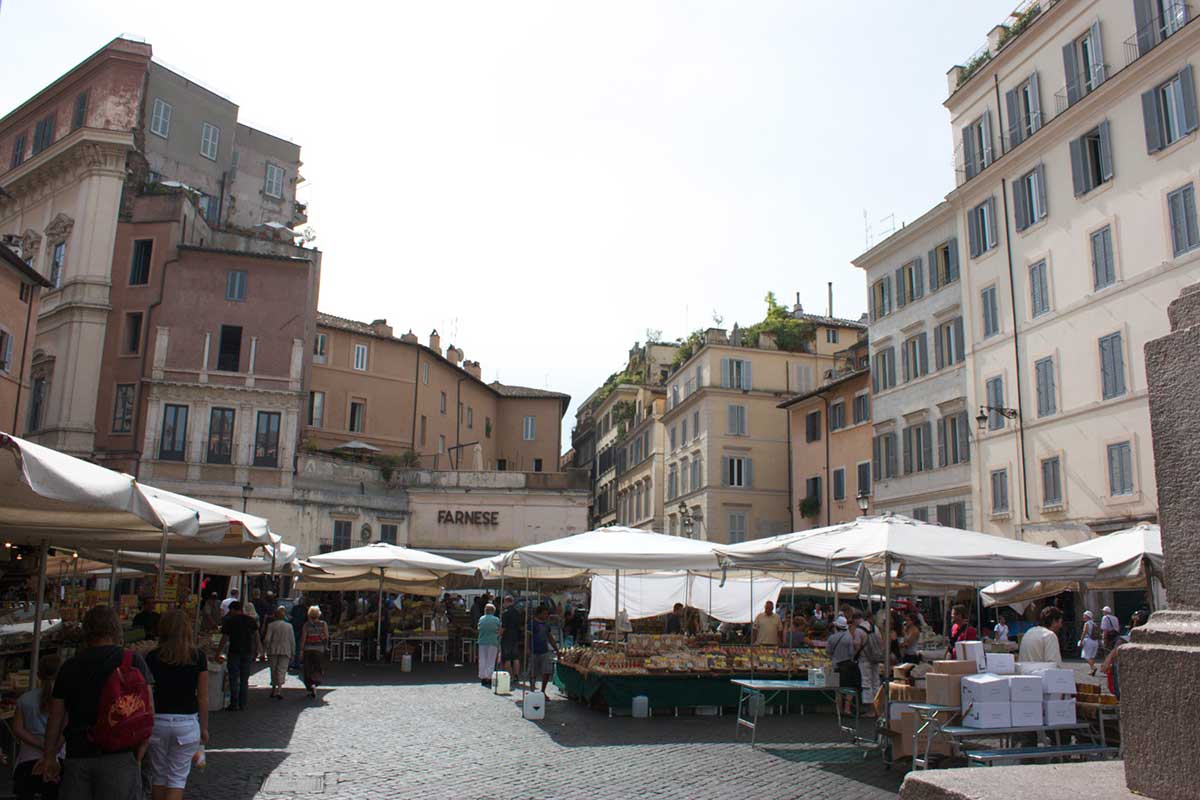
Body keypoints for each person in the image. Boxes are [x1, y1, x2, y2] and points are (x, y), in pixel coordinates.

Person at [37, 605, 153, 798]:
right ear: (115, 628)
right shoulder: (131, 660)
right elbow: (148, 710)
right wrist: (141, 749)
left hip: (78, 754)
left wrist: (49, 756)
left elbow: (55, 718)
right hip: (119, 754)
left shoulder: (70, 666)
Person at [145, 610, 209, 800]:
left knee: (158, 776)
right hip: (186, 722)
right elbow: (203, 697)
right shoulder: (198, 657)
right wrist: (204, 728)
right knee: (177, 779)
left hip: (158, 720)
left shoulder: (152, 657)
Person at [13, 654, 62, 800]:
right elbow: (67, 729)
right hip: (58, 761)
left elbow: (17, 729)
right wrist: (50, 749)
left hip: (27, 760)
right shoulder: (66, 700)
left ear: (38, 675)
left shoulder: (24, 699)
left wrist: (40, 744)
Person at [217, 601, 258, 711]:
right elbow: (255, 636)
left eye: (231, 610)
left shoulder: (230, 621)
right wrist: (257, 649)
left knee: (233, 678)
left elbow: (224, 638)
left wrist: (218, 652)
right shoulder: (251, 620)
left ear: (234, 610)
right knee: (244, 679)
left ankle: (234, 703)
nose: (230, 612)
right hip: (247, 652)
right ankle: (242, 703)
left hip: (234, 652)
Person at [826, 616, 858, 716]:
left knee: (837, 689)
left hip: (835, 665)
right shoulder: (849, 637)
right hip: (847, 665)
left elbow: (828, 652)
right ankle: (847, 709)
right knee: (849, 688)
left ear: (836, 626)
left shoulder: (831, 638)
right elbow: (851, 653)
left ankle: (839, 710)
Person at [853, 609, 883, 714]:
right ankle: (878, 708)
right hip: (876, 658)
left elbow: (857, 645)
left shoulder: (859, 630)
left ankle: (870, 710)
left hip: (864, 659)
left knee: (866, 683)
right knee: (876, 682)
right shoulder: (875, 628)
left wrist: (854, 655)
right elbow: (880, 642)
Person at [264, 607, 295, 699]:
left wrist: (266, 647)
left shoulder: (271, 625)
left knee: (273, 669)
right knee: (282, 669)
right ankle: (279, 690)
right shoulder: (289, 626)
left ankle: (273, 688)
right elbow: (292, 640)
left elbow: (267, 639)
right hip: (285, 650)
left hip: (273, 650)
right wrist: (293, 652)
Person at [528, 605, 559, 695]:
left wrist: (556, 648)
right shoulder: (532, 623)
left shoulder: (546, 624)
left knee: (546, 671)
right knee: (533, 672)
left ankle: (543, 691)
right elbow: (528, 637)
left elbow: (550, 637)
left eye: (547, 614)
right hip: (534, 651)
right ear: (539, 614)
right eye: (544, 614)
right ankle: (532, 690)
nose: (546, 615)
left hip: (544, 651)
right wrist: (528, 649)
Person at [300, 606, 329, 698]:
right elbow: (326, 636)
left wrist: (301, 650)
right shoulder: (323, 624)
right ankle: (315, 683)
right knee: (317, 668)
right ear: (318, 614)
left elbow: (303, 638)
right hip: (319, 649)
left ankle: (310, 686)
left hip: (308, 649)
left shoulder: (306, 625)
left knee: (307, 668)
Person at [499, 596, 523, 685]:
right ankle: (516, 676)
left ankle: (510, 676)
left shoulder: (506, 613)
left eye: (504, 602)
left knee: (507, 658)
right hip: (515, 636)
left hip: (507, 637)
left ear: (506, 602)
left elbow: (504, 627)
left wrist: (499, 635)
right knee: (516, 657)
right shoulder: (517, 612)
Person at [476, 603, 501, 687]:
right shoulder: (496, 620)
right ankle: (489, 677)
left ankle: (483, 677)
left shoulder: (481, 618)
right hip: (493, 641)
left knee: (482, 660)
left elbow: (479, 629)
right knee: (491, 660)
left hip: (482, 641)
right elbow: (499, 630)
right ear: (493, 611)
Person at [1079, 610, 1101, 675]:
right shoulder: (1094, 624)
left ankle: (1093, 667)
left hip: (1088, 640)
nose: (1083, 617)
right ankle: (1092, 670)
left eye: (1084, 615)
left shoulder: (1087, 623)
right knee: (1091, 656)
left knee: (1086, 656)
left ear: (1087, 616)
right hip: (1095, 641)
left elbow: (1084, 632)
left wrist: (1081, 640)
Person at [289, 596, 308, 671]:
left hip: (294, 627)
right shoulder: (306, 609)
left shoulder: (295, 608)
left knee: (293, 645)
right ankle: (297, 662)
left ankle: (292, 662)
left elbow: (291, 616)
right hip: (301, 628)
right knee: (299, 646)